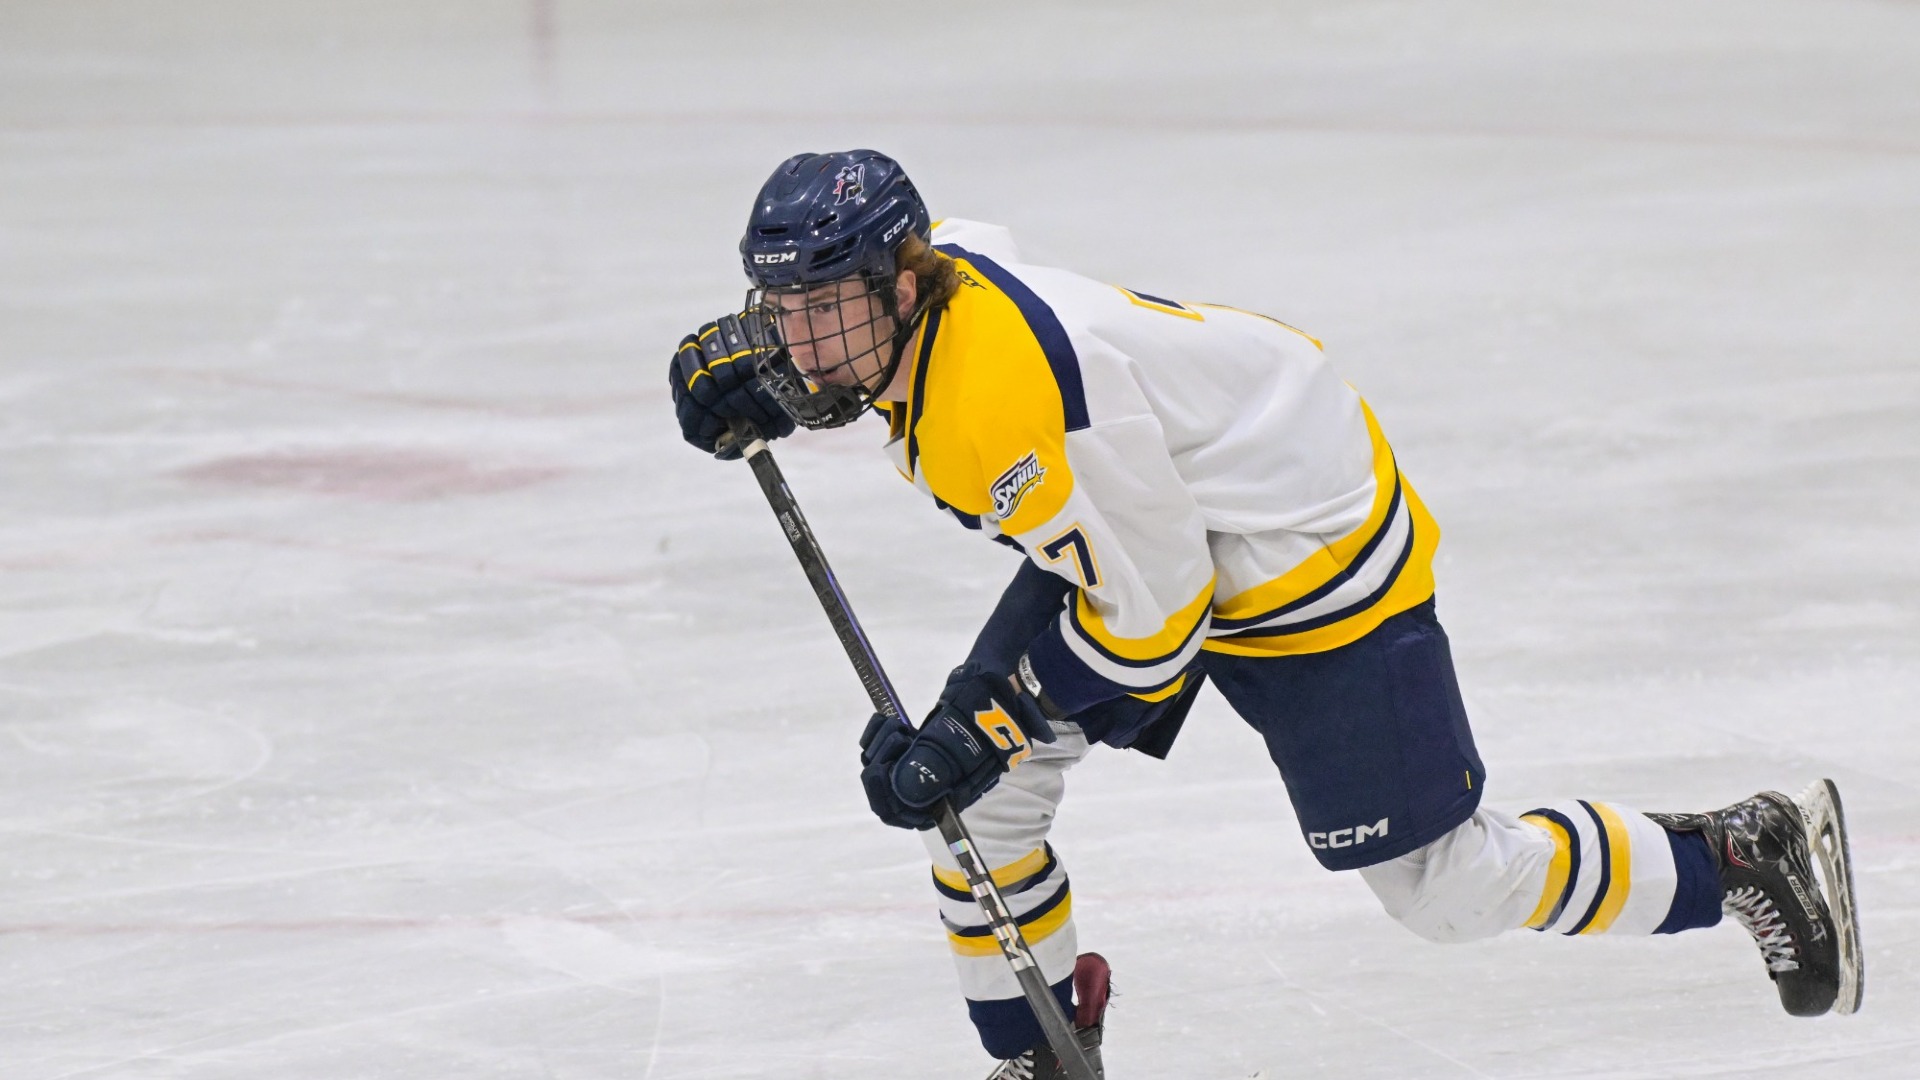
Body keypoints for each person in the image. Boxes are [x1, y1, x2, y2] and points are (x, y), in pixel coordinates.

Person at [667, 150, 1863, 1079]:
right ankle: (1037, 1048)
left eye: (822, 312)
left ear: (904, 282)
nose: (795, 341)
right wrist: (783, 382)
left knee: (1441, 889)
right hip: (1172, 506)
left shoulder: (1005, 404)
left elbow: (1154, 620)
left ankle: (1737, 855)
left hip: (1300, 538)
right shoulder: (938, 288)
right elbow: (994, 272)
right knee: (980, 789)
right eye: (780, 311)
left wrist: (983, 716)